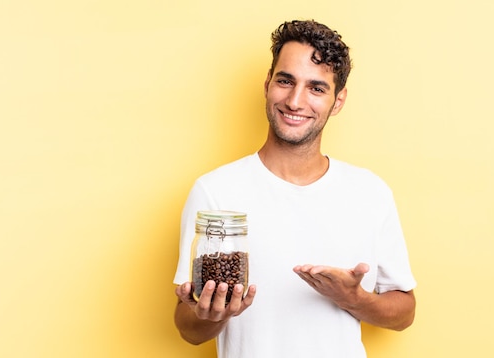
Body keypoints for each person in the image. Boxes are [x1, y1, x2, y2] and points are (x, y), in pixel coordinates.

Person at [173, 19, 416, 358]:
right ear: (268, 84)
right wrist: (215, 314)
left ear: (338, 100)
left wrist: (353, 298)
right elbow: (187, 327)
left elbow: (404, 312)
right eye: (285, 81)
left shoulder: (370, 193)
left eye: (316, 88)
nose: (295, 101)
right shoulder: (215, 191)